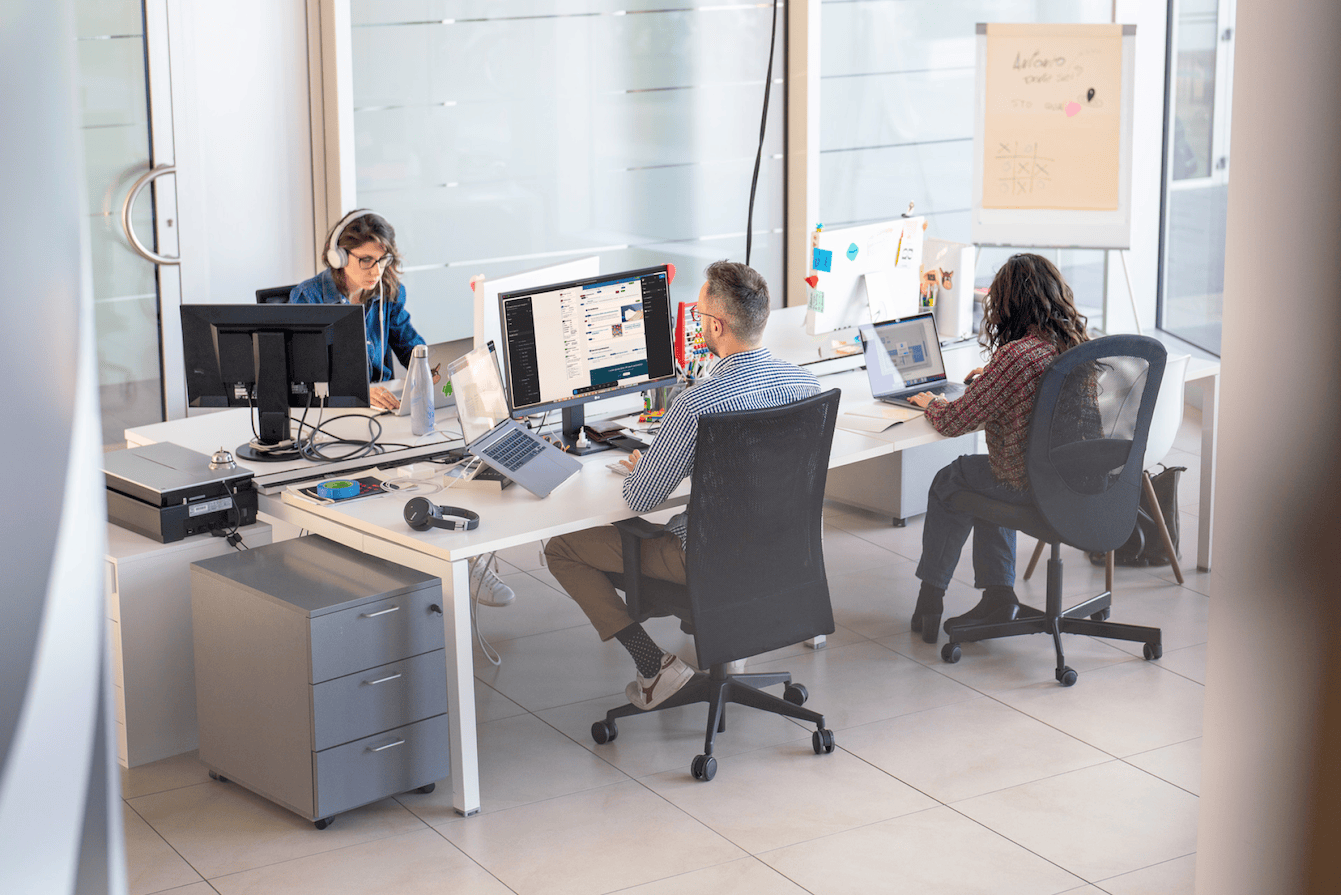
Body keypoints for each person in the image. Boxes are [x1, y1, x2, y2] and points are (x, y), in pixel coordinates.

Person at [544, 261, 820, 710]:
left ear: (715, 325)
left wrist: (647, 466)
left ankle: (653, 666)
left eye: (697, 315)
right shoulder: (805, 384)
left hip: (709, 558)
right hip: (785, 553)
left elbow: (641, 498)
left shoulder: (697, 402)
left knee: (561, 547)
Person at [292, 210, 514, 607]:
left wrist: (433, 371)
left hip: (381, 420)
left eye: (383, 260)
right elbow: (299, 378)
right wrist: (360, 390)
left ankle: (465, 562)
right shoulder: (309, 297)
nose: (376, 270)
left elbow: (412, 348)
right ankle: (422, 563)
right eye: (366, 261)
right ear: (339, 258)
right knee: (399, 481)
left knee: (440, 467)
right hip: (332, 422)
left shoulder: (388, 294)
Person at [905, 253, 1091, 643]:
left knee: (952, 479)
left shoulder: (1015, 356)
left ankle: (930, 599)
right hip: (1076, 479)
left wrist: (931, 402)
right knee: (986, 475)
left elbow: (955, 421)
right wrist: (993, 380)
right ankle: (998, 595)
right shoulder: (1074, 343)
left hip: (1028, 483)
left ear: (1006, 304)